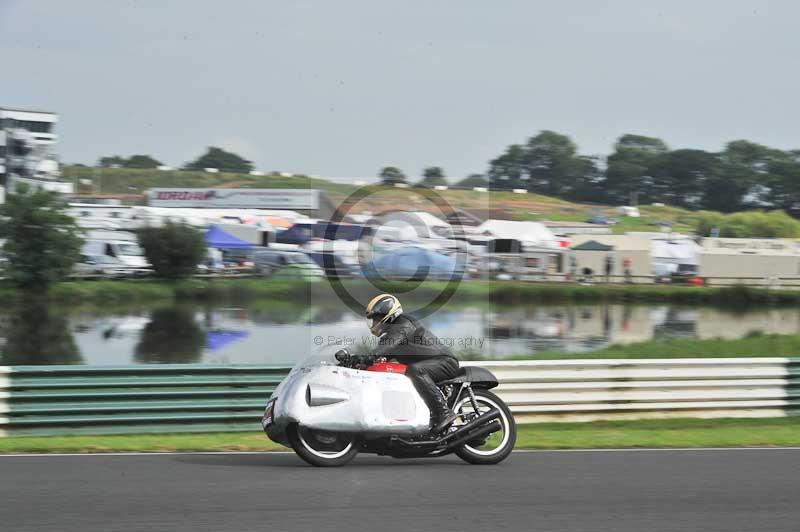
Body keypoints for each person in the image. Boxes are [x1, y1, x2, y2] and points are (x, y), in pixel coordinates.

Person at [365, 293, 460, 434]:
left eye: (377, 318)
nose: (374, 322)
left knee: (415, 370)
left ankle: (444, 412)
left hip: (444, 362)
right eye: (373, 319)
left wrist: (369, 356)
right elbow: (381, 355)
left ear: (387, 314)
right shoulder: (390, 335)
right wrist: (360, 361)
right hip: (431, 364)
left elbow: (387, 347)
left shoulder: (403, 323)